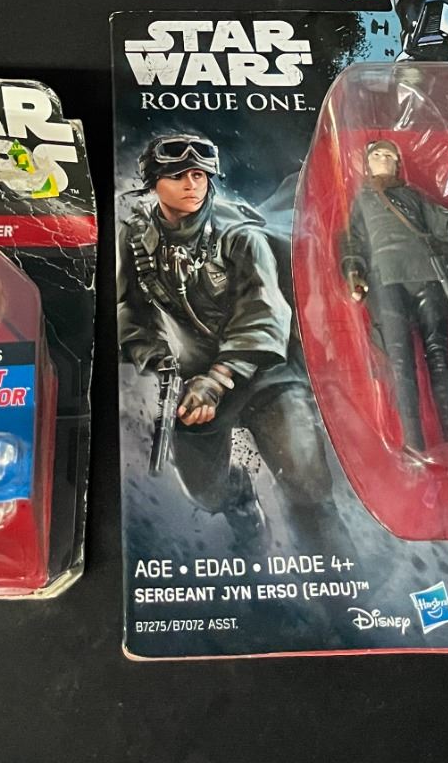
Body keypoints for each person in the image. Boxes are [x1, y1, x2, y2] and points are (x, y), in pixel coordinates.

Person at [117, 133, 344, 551]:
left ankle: (333, 569)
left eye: (199, 175)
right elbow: (129, 311)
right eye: (177, 176)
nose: (192, 184)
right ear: (154, 182)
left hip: (267, 373)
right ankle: (241, 502)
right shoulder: (138, 238)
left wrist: (218, 379)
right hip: (195, 380)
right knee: (204, 491)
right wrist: (157, 358)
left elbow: (263, 315)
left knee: (308, 485)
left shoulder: (239, 234)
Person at [341, 139, 448, 452]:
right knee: (400, 362)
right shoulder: (362, 200)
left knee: (439, 356)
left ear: (398, 163)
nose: (384, 159)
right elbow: (353, 241)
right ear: (368, 163)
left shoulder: (412, 195)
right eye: (377, 155)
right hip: (386, 278)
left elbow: (436, 217)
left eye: (389, 155)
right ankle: (413, 443)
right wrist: (354, 274)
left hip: (426, 274)